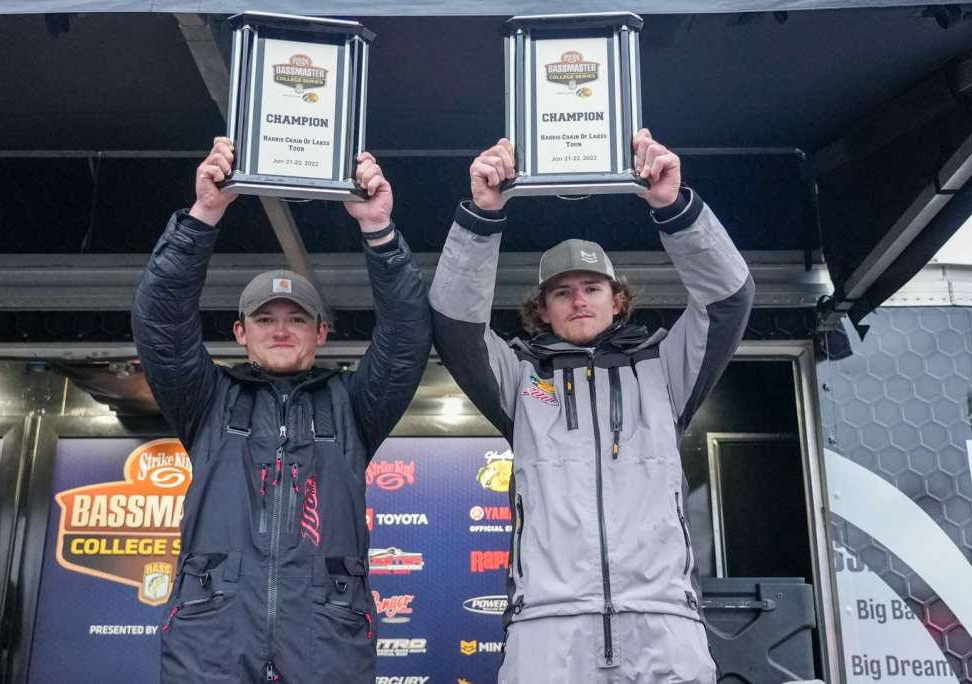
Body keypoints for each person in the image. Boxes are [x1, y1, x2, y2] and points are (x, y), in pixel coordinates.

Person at [429, 131, 754, 683]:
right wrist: (483, 215)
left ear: (617, 300)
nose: (578, 299)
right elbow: (456, 325)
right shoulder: (521, 378)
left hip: (662, 622)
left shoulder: (664, 370)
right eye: (562, 292)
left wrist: (673, 208)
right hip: (547, 628)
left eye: (592, 287)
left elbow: (728, 299)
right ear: (542, 309)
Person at [132, 137, 431, 683]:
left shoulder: (352, 407)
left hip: (326, 641)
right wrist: (204, 214)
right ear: (240, 332)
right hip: (213, 638)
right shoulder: (207, 401)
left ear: (321, 333)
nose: (281, 330)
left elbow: (406, 337)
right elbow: (161, 323)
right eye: (265, 319)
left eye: (296, 319)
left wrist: (378, 230)